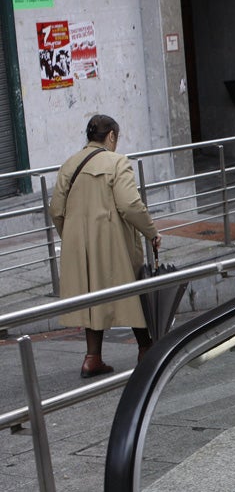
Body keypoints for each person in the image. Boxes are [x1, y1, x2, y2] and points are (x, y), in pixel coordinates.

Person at [49, 115, 161, 378]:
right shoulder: (116, 162)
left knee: (92, 296)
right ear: (111, 136)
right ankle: (146, 349)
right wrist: (151, 231)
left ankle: (92, 358)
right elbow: (129, 204)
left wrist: (72, 237)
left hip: (80, 246)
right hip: (113, 243)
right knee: (133, 290)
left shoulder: (69, 164)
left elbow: (56, 209)